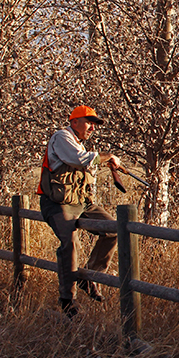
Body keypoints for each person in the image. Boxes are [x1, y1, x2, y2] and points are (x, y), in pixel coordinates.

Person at [37, 105, 121, 318]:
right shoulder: (62, 137)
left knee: (113, 230)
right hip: (57, 204)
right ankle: (67, 299)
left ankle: (89, 276)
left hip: (81, 203)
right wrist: (108, 156)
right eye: (88, 122)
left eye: (94, 124)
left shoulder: (79, 145)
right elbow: (80, 160)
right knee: (70, 243)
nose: (92, 127)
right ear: (74, 122)